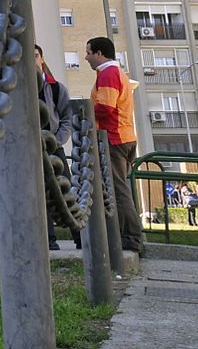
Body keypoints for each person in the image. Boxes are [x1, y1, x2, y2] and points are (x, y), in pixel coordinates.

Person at [86, 36, 143, 255]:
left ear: (99, 54)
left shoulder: (108, 74)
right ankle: (126, 236)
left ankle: (131, 239)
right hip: (124, 136)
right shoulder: (117, 73)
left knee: (118, 191)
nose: (86, 57)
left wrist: (84, 111)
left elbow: (105, 108)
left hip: (113, 138)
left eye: (89, 52)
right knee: (119, 189)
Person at [35, 45, 79, 250]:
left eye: (35, 55)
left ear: (42, 59)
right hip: (31, 149)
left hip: (53, 146)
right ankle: (48, 239)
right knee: (38, 194)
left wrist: (57, 140)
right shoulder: (18, 90)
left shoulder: (55, 88)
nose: (32, 59)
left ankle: (80, 237)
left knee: (65, 191)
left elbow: (66, 119)